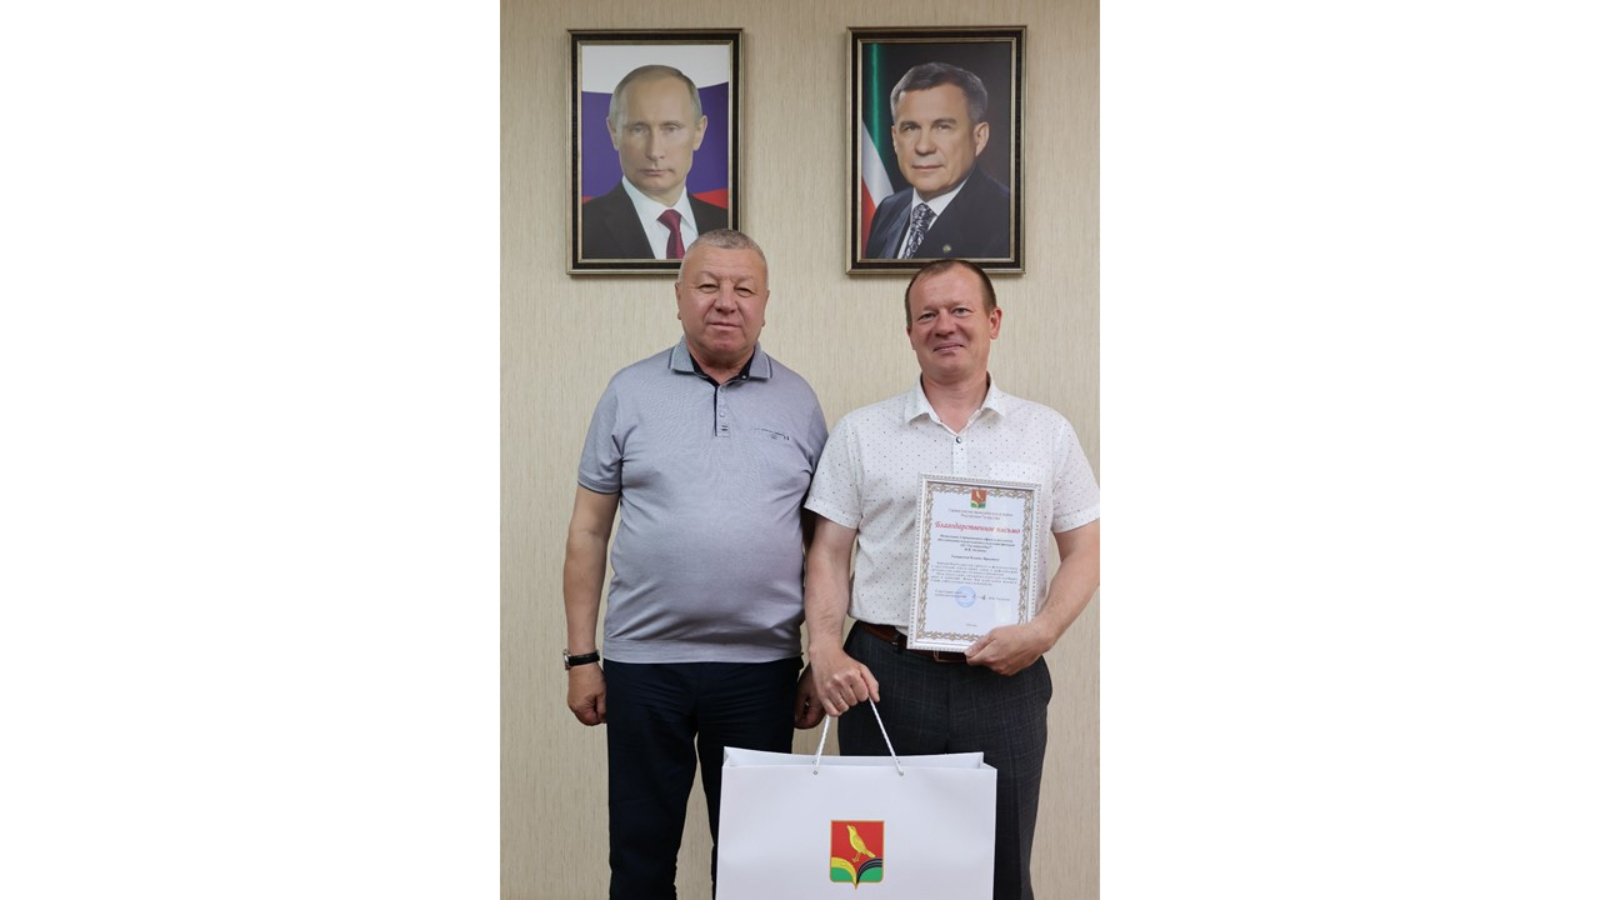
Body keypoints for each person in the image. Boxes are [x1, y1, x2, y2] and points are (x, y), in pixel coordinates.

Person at [802, 259, 1101, 900]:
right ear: (910, 331)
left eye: (961, 310)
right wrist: (823, 648)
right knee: (875, 878)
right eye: (928, 314)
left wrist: (1045, 631)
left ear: (994, 321)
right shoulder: (861, 433)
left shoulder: (1047, 433)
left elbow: (1087, 547)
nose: (945, 325)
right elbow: (828, 552)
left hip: (1006, 680)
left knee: (999, 874)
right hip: (884, 679)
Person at [563, 229, 828, 898]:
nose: (725, 302)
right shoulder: (628, 392)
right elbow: (588, 532)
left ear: (765, 304)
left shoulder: (799, 401)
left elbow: (825, 546)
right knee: (640, 860)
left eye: (743, 289)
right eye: (708, 286)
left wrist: (819, 658)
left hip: (762, 670)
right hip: (644, 666)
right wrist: (581, 658)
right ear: (679, 297)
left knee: (753, 868)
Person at [864, 62, 1013, 261]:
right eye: (911, 128)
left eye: (942, 127)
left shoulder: (1008, 220)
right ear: (894, 138)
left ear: (979, 137)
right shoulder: (888, 210)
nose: (923, 147)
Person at [581, 64, 729, 261]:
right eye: (638, 129)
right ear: (614, 133)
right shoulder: (581, 229)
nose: (654, 152)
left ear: (699, 132)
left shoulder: (728, 225)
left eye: (671, 128)